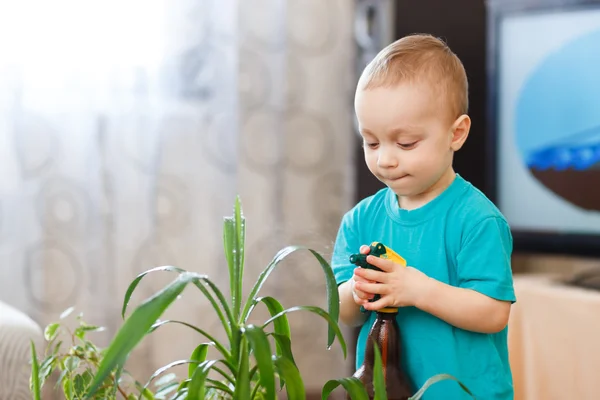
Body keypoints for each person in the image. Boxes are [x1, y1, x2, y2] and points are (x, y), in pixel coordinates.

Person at [331, 33, 516, 399]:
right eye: (371, 142)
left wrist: (415, 289)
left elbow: (492, 313)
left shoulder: (477, 220)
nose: (385, 159)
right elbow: (345, 313)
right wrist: (357, 290)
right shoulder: (360, 220)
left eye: (405, 143)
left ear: (456, 133)